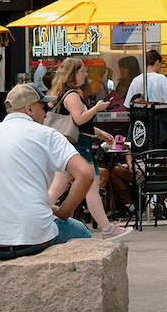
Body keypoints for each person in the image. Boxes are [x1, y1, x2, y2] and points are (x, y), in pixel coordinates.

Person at [0, 85, 97, 259]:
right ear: (29, 108)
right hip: (34, 237)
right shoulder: (48, 135)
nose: (46, 113)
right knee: (81, 232)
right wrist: (63, 213)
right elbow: (86, 174)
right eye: (43, 107)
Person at [43, 57, 128, 239]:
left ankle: (36, 215)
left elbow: (78, 123)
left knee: (58, 187)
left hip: (73, 145)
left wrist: (98, 132)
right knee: (90, 187)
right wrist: (97, 108)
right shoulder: (73, 95)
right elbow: (79, 119)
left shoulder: (68, 93)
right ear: (73, 74)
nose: (85, 74)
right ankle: (107, 229)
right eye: (82, 71)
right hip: (79, 147)